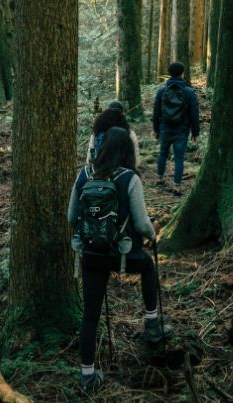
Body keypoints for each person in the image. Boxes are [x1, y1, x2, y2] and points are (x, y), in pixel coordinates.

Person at [67, 127, 167, 394]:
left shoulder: (83, 175)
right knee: (147, 266)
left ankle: (87, 376)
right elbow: (143, 224)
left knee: (90, 316)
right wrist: (153, 234)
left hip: (91, 255)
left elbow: (70, 217)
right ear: (127, 151)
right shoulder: (129, 179)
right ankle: (153, 323)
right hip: (123, 255)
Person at [152, 62, 200, 196]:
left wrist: (156, 129)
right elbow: (194, 113)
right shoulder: (188, 92)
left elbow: (156, 112)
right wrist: (195, 132)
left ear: (170, 73)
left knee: (162, 153)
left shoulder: (162, 90)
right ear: (182, 73)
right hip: (182, 129)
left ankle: (159, 179)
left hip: (165, 128)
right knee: (179, 157)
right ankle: (177, 187)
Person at [87, 101, 141, 168]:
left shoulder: (98, 131)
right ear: (122, 113)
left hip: (100, 171)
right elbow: (136, 161)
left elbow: (90, 156)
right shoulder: (129, 133)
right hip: (123, 172)